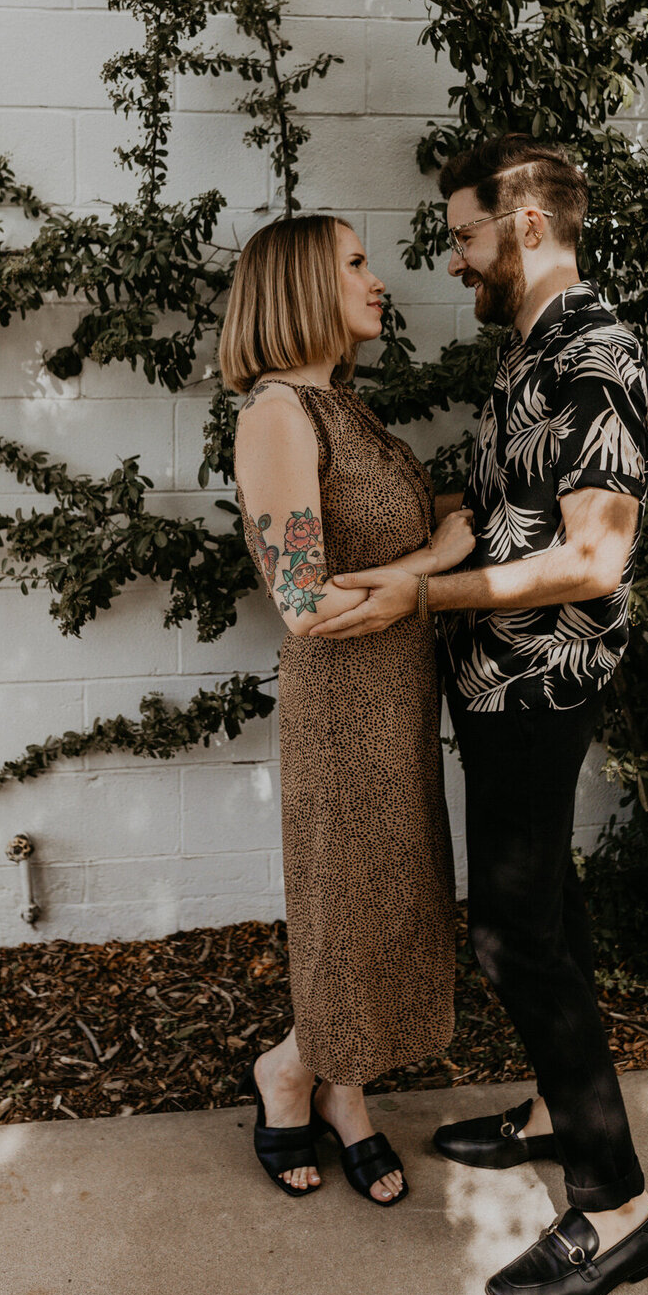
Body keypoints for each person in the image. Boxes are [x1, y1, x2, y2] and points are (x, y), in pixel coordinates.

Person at [310, 135, 648, 1295]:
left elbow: (593, 555)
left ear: (520, 226)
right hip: (495, 681)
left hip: (539, 683)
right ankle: (565, 1114)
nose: (452, 259)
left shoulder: (596, 350)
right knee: (547, 911)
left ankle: (618, 1207)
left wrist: (423, 595)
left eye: (462, 234)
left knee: (514, 937)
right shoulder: (527, 349)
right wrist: (401, 543)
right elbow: (512, 512)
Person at [219, 212, 476, 1206]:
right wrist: (438, 561)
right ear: (297, 290)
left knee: (389, 910)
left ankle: (342, 1091)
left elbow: (366, 541)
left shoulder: (346, 409)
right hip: (341, 710)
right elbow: (305, 604)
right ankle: (294, 1077)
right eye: (357, 264)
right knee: (345, 917)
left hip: (398, 699)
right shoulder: (276, 413)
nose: (379, 280)